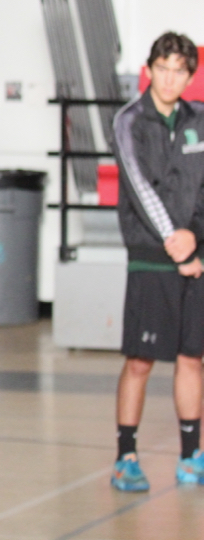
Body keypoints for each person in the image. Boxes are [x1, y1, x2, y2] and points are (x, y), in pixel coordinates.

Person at [110, 31, 204, 492]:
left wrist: (197, 243)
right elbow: (140, 189)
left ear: (190, 75)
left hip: (196, 258)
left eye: (179, 71)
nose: (170, 79)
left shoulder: (200, 120)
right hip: (152, 258)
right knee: (141, 361)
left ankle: (192, 457)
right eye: (162, 69)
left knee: (192, 358)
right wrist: (176, 244)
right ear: (149, 69)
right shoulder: (128, 121)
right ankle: (126, 456)